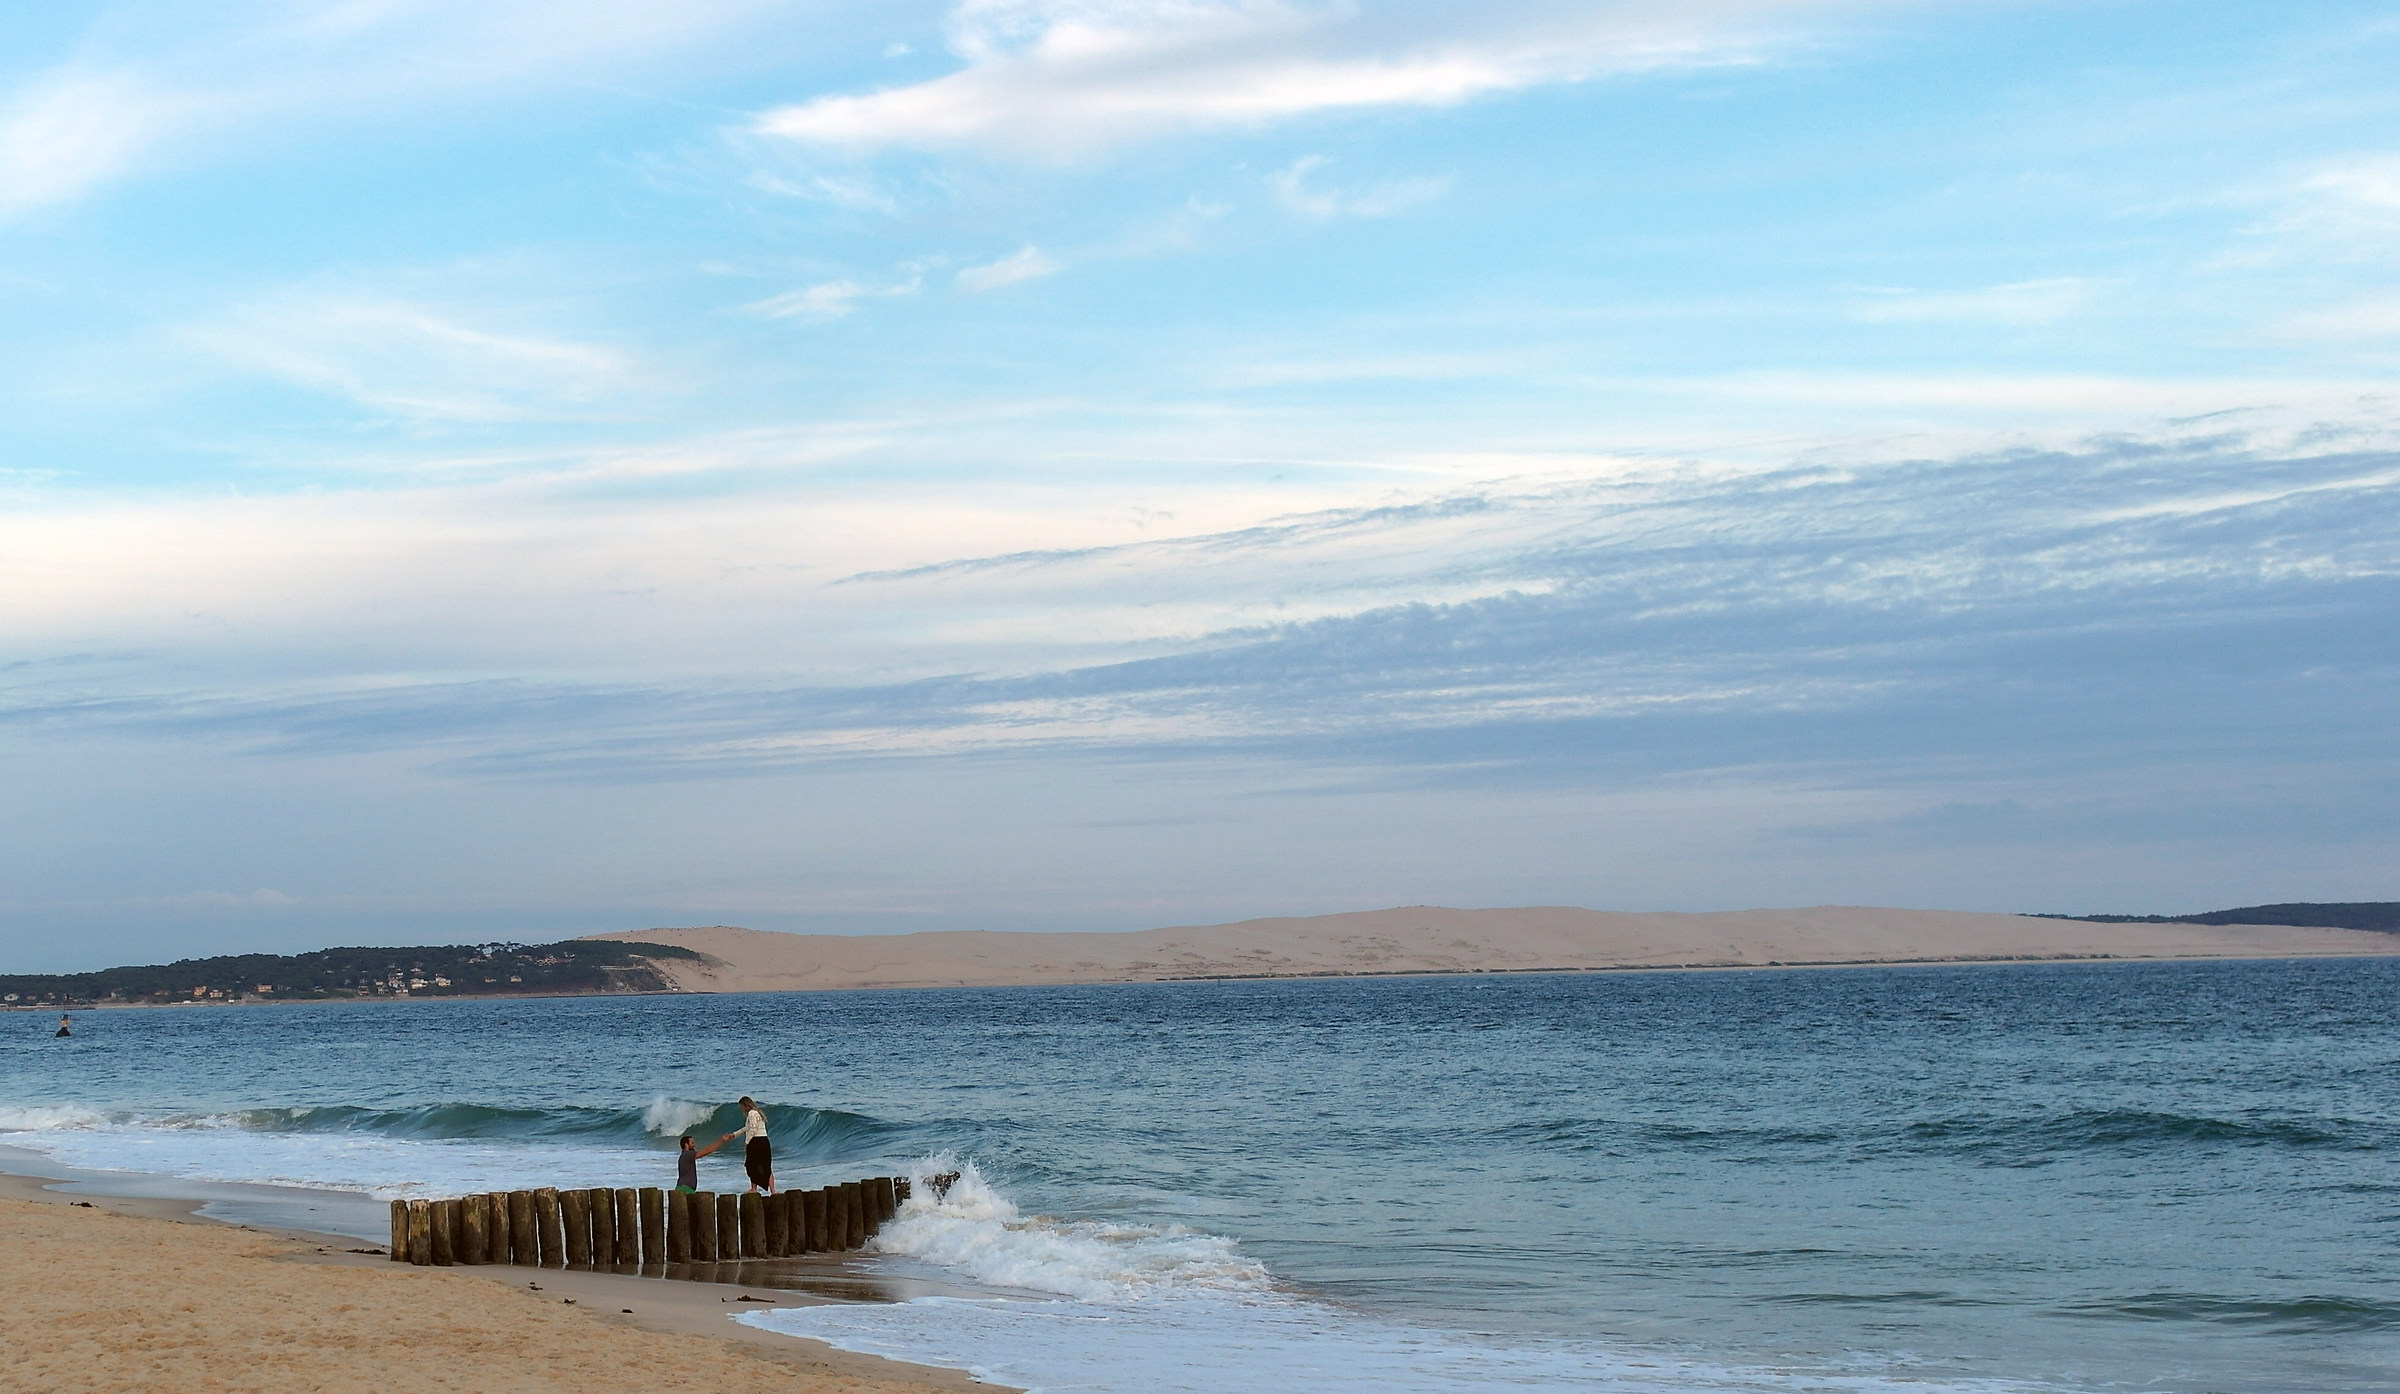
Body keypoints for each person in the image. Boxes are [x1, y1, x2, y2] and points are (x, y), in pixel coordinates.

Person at [732, 1096, 774, 1195]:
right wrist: (734, 1134)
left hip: (756, 1142)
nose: (741, 1109)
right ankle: (773, 1191)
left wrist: (747, 1142)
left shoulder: (751, 1113)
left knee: (751, 1165)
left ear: (745, 1105)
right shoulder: (758, 1113)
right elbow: (747, 1128)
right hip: (764, 1141)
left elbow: (753, 1129)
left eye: (741, 1106)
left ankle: (754, 1189)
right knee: (766, 1166)